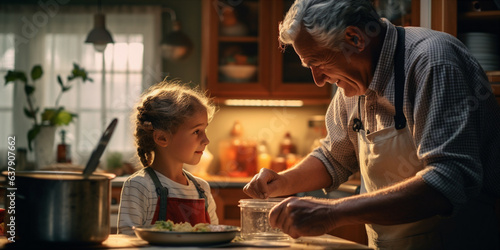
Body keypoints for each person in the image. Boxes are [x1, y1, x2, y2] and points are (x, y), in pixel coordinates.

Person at [243, 0, 500, 249]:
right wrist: (281, 183)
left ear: (354, 39)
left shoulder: (432, 61)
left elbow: (448, 179)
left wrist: (332, 212)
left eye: (318, 63)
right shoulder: (352, 82)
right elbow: (335, 157)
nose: (319, 80)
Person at [117, 80, 218, 235]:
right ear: (162, 138)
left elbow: (215, 236)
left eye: (205, 130)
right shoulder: (140, 186)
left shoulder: (202, 189)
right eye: (197, 131)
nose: (206, 140)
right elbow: (127, 239)